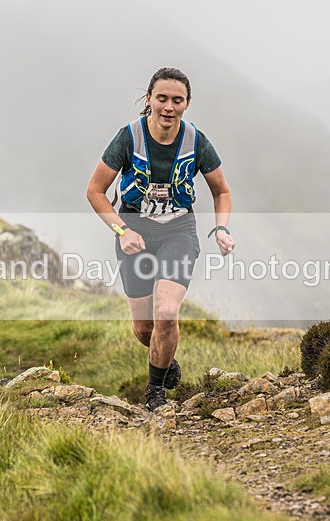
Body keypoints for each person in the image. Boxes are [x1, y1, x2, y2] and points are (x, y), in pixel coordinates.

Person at [86, 67, 236, 412]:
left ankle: (155, 392)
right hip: (134, 233)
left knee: (166, 314)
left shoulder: (196, 141)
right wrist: (122, 231)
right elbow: (95, 191)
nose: (169, 107)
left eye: (177, 100)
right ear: (149, 99)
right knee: (144, 329)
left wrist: (222, 228)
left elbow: (221, 190)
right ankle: (165, 360)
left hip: (178, 231)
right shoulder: (129, 137)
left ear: (187, 104)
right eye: (162, 98)